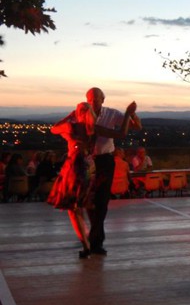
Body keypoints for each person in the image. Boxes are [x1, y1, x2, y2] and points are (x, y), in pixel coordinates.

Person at [86, 87, 141, 255]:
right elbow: (121, 133)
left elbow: (136, 127)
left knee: (102, 201)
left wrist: (132, 114)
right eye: (91, 99)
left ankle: (95, 240)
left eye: (96, 99)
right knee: (88, 201)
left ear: (103, 99)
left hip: (105, 160)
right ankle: (94, 237)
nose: (94, 102)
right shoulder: (85, 116)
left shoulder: (110, 113)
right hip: (87, 162)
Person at [47, 103, 99, 258]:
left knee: (73, 208)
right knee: (81, 205)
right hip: (89, 166)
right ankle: (88, 237)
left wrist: (69, 117)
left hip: (75, 166)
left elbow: (54, 128)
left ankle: (85, 243)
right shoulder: (92, 129)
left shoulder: (71, 127)